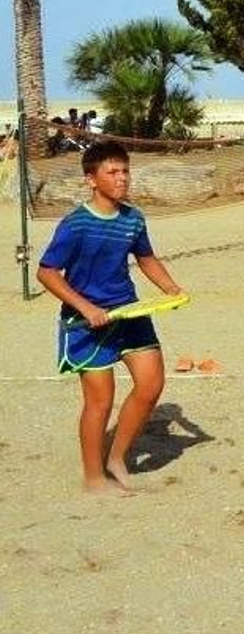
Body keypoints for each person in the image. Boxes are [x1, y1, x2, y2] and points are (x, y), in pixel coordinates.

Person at [35, 140, 184, 495]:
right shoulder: (76, 224)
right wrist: (86, 307)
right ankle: (93, 478)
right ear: (91, 179)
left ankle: (116, 458)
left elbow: (146, 258)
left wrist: (171, 288)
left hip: (128, 313)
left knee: (150, 385)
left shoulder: (133, 219)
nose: (121, 178)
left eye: (125, 171)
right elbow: (47, 272)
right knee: (100, 401)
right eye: (112, 172)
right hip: (86, 323)